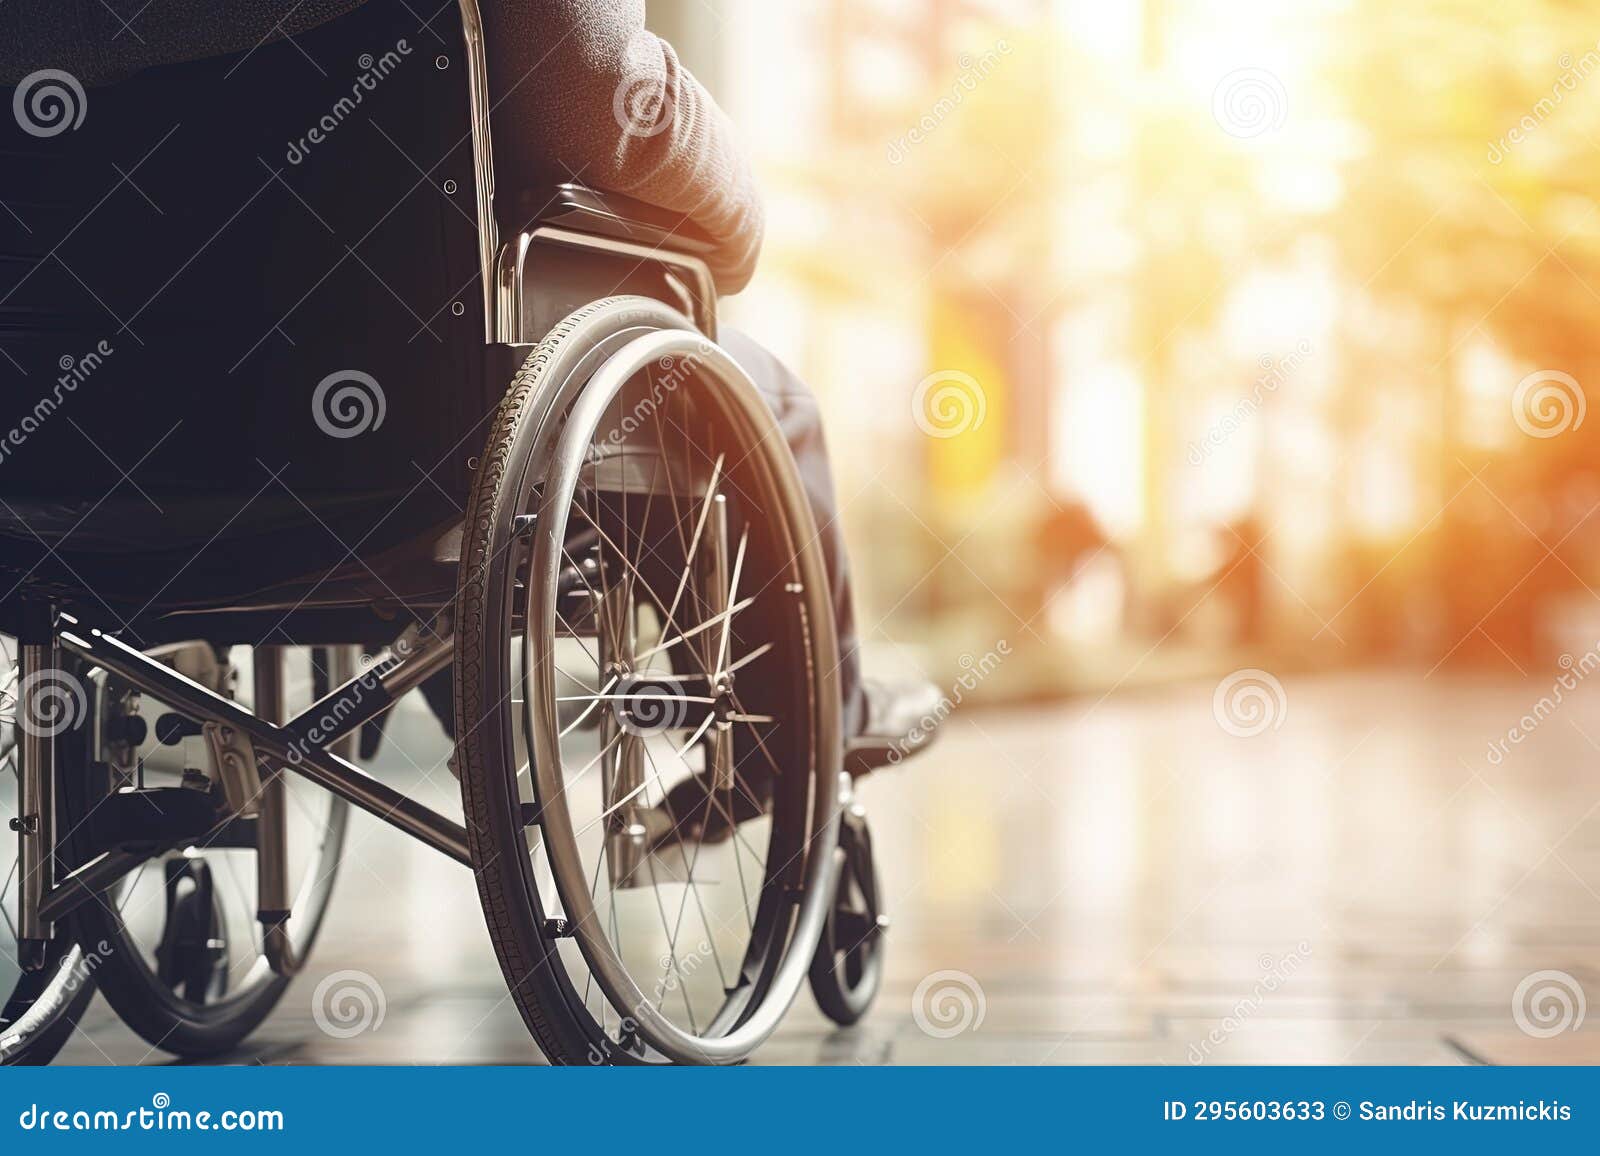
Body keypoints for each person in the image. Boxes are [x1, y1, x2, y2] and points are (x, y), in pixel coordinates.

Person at [0, 0, 940, 779]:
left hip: (47, 481)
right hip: (379, 456)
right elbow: (600, 103)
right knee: (763, 397)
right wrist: (740, 214)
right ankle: (803, 730)